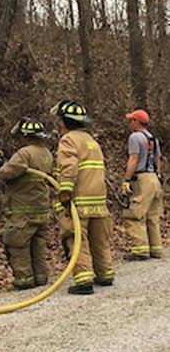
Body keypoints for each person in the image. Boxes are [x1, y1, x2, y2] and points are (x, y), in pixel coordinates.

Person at [50, 99, 114, 295]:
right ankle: (105, 274)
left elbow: (69, 167)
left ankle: (84, 280)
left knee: (76, 238)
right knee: (99, 239)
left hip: (78, 201)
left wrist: (65, 193)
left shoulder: (68, 140)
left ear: (63, 122)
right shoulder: (91, 141)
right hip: (98, 201)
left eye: (59, 120)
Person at [0, 117, 53, 290]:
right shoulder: (45, 153)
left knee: (18, 244)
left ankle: (24, 279)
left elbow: (6, 173)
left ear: (25, 136)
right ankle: (40, 276)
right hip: (41, 207)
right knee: (38, 244)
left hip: (22, 209)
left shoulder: (23, 153)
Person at [121, 109, 164, 261]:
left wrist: (126, 180)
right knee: (152, 215)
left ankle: (140, 250)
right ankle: (156, 249)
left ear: (137, 122)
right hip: (154, 178)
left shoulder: (135, 137)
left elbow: (133, 158)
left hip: (141, 179)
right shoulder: (153, 138)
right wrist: (159, 175)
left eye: (132, 120)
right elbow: (158, 158)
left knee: (136, 214)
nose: (130, 123)